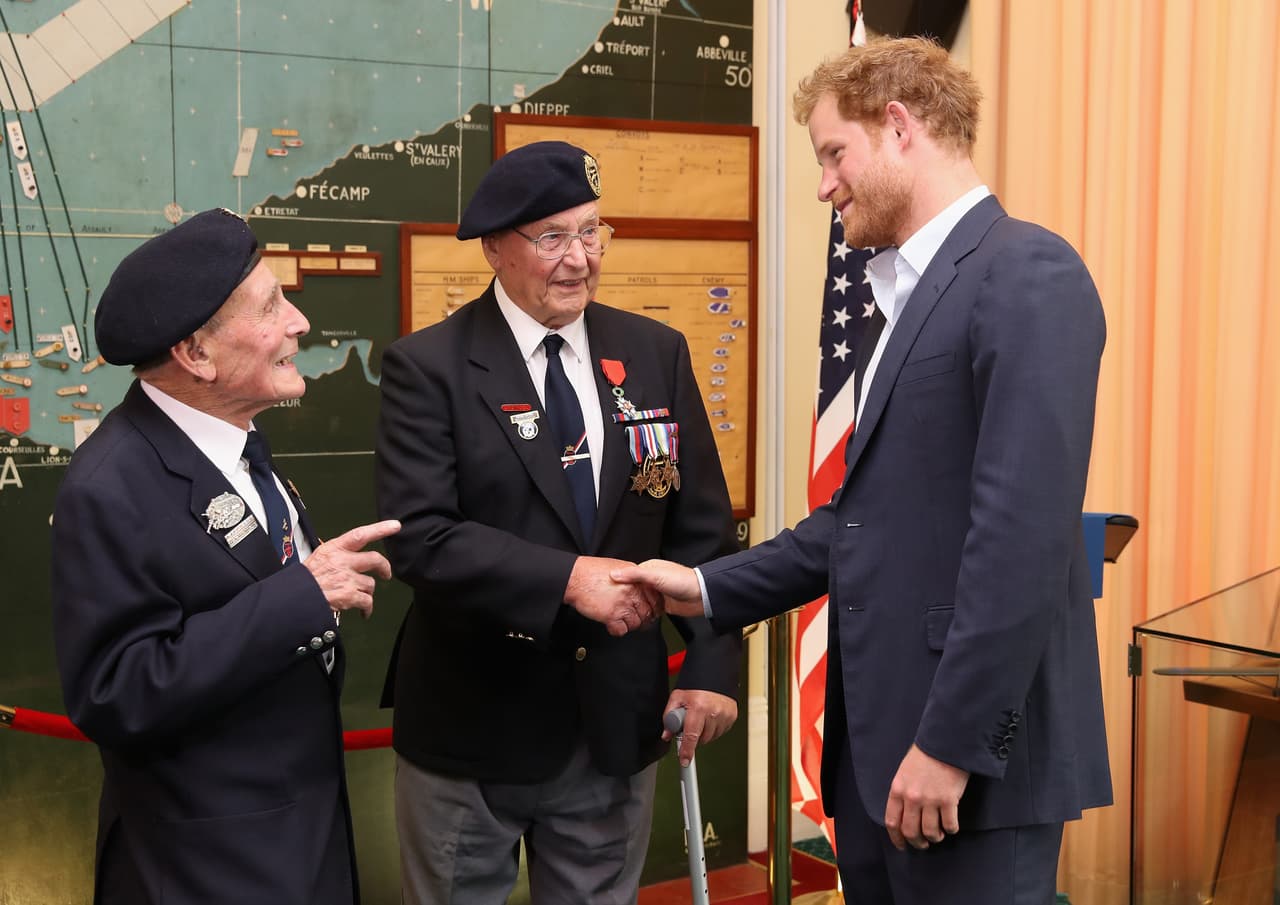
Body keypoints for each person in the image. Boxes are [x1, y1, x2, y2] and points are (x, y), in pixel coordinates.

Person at [615, 37, 1111, 904]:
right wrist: (703, 584)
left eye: (833, 153)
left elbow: (1021, 540)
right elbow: (857, 519)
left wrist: (951, 744)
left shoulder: (1027, 272)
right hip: (880, 760)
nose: (823, 184)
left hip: (963, 772)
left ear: (898, 127)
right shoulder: (908, 295)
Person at [375, 141, 741, 904]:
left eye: (592, 231)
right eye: (552, 238)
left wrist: (709, 670)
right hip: (471, 731)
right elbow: (422, 535)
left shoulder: (656, 353)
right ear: (496, 249)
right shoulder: (429, 368)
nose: (580, 259)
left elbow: (701, 536)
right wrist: (568, 580)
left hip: (613, 726)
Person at [50, 208, 400, 905]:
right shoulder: (108, 486)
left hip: (301, 844)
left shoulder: (237, 441)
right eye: (271, 306)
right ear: (196, 355)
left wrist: (306, 585)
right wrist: (302, 593)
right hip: (203, 869)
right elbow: (116, 690)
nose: (299, 323)